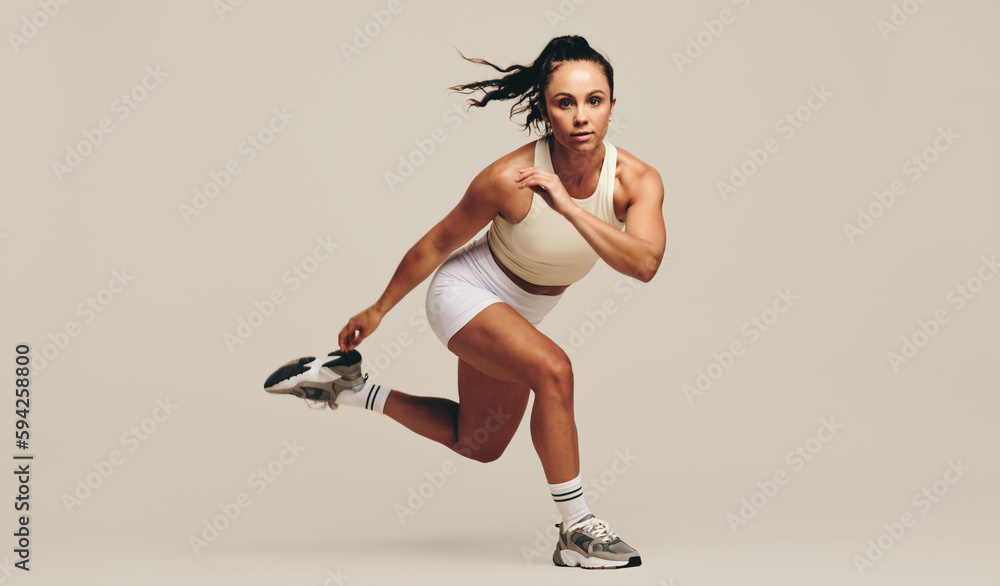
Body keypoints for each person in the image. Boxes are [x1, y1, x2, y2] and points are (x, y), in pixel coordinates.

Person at [264, 35, 665, 570]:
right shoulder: (509, 179)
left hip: (520, 314)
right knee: (554, 371)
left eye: (595, 100)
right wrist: (378, 309)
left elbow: (643, 264)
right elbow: (436, 243)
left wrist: (568, 208)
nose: (581, 116)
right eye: (564, 102)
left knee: (477, 443)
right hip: (467, 293)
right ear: (545, 108)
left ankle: (349, 388)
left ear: (613, 104)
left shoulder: (636, 181)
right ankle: (577, 529)